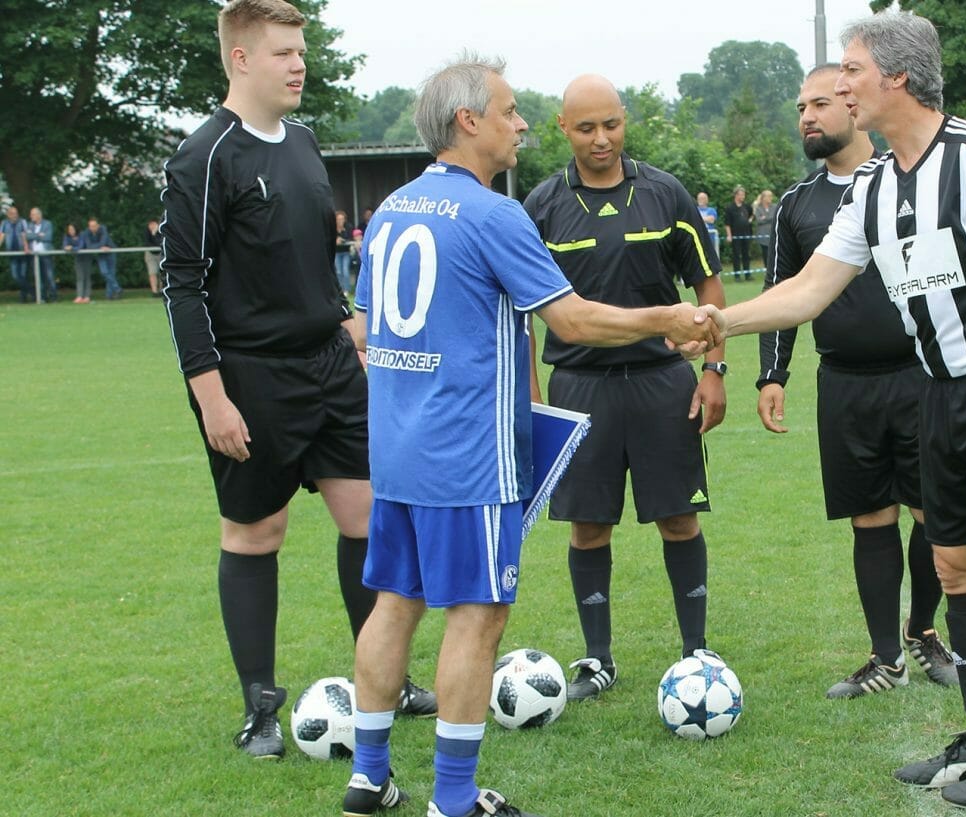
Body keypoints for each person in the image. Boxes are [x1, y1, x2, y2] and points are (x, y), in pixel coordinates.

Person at [716, 11, 966, 810]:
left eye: (851, 71)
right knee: (954, 566)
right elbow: (812, 289)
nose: (840, 86)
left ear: (896, 78)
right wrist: (720, 322)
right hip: (939, 392)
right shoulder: (871, 184)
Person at [344, 55, 720, 817]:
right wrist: (665, 318)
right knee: (477, 616)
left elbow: (363, 330)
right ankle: (453, 799)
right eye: (511, 111)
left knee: (393, 603)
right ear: (468, 121)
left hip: (397, 451)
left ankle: (368, 775)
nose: (522, 125)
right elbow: (573, 320)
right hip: (467, 458)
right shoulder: (493, 212)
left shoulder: (390, 212)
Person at [159, 0, 434, 762]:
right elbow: (183, 284)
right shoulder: (203, 158)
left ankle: (384, 676)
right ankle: (259, 706)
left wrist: (350, 324)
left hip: (333, 364)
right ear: (241, 58)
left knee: (368, 517)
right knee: (258, 531)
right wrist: (210, 393)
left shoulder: (307, 143)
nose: (298, 63)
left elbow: (314, 255)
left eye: (300, 50)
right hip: (250, 374)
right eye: (283, 51)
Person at [523, 74, 727, 703]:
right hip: (579, 389)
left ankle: (695, 653)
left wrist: (714, 371)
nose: (601, 138)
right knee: (588, 527)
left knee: (679, 518)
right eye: (586, 127)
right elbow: (520, 316)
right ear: (563, 128)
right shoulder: (540, 207)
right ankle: (597, 659)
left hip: (664, 384)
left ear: (624, 119)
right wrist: (533, 404)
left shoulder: (665, 193)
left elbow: (710, 289)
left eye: (610, 124)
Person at [759, 62, 956, 699]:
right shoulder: (797, 203)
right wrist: (772, 374)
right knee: (869, 519)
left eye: (819, 103)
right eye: (800, 108)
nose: (807, 118)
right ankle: (883, 657)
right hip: (844, 383)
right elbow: (784, 293)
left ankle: (924, 633)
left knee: (933, 513)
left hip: (920, 375)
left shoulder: (906, 180)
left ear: (852, 104)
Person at [79, 217, 122, 300]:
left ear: (98, 225)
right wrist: (100, 247)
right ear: (88, 226)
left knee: (111, 273)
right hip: (101, 254)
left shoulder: (103, 229)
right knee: (104, 272)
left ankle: (109, 295)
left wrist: (97, 246)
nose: (93, 228)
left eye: (94, 226)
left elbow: (103, 242)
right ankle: (117, 289)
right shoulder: (86, 233)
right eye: (91, 226)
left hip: (111, 251)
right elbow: (89, 246)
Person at [24, 207, 57, 302]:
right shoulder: (30, 225)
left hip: (46, 254)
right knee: (38, 278)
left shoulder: (47, 224)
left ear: (39, 215)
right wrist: (39, 235)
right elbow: (27, 236)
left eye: (33, 214)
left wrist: (34, 236)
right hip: (34, 256)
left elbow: (48, 237)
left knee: (49, 276)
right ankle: (41, 297)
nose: (31, 216)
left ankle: (53, 297)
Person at [724, 185, 754, 280]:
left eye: (744, 195)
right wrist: (729, 235)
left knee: (746, 254)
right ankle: (737, 276)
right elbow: (727, 223)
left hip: (747, 234)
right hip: (735, 235)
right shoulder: (730, 208)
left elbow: (752, 214)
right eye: (741, 195)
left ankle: (747, 275)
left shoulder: (747, 206)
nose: (743, 197)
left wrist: (750, 219)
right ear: (736, 195)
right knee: (736, 255)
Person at [2, 205, 30, 302]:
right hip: (12, 253)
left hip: (22, 253)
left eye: (16, 213)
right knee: (15, 276)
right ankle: (31, 290)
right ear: (8, 215)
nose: (14, 215)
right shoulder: (4, 223)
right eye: (12, 214)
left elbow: (25, 235)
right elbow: (2, 236)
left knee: (22, 274)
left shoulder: (22, 222)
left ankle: (23, 297)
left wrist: (26, 247)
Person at [752, 189, 776, 274]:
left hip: (773, 234)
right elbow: (759, 220)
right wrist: (769, 218)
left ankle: (774, 270)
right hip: (762, 234)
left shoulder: (774, 206)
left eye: (771, 196)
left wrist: (765, 218)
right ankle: (767, 270)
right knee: (765, 253)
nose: (770, 198)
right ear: (763, 198)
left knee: (773, 253)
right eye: (769, 196)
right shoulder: (758, 208)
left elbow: (775, 218)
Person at [64, 223, 90, 303]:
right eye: (69, 230)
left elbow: (81, 246)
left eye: (72, 229)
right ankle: (79, 296)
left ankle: (86, 296)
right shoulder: (67, 236)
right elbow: (64, 246)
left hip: (86, 257)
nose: (70, 231)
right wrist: (67, 247)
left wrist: (72, 248)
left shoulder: (82, 234)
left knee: (86, 276)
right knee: (79, 276)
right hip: (78, 258)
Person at [334, 209, 354, 294]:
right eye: (338, 219)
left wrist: (342, 239)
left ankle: (347, 289)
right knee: (338, 271)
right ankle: (340, 289)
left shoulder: (348, 227)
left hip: (346, 252)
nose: (340, 221)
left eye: (342, 219)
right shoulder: (333, 228)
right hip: (337, 252)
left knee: (345, 270)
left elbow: (351, 239)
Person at [143, 219, 164, 296]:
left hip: (161, 253)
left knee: (163, 272)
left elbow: (160, 243)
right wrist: (152, 234)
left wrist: (155, 234)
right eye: (150, 224)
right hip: (150, 254)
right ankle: (154, 291)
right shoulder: (146, 232)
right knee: (152, 273)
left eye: (153, 224)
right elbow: (147, 243)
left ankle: (162, 290)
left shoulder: (162, 231)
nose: (152, 226)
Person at [696, 191, 719, 257]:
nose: (700, 200)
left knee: (711, 255)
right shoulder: (695, 209)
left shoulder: (711, 210)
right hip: (699, 235)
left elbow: (711, 220)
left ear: (707, 200)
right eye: (699, 198)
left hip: (710, 236)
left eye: (702, 198)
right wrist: (705, 219)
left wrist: (699, 218)